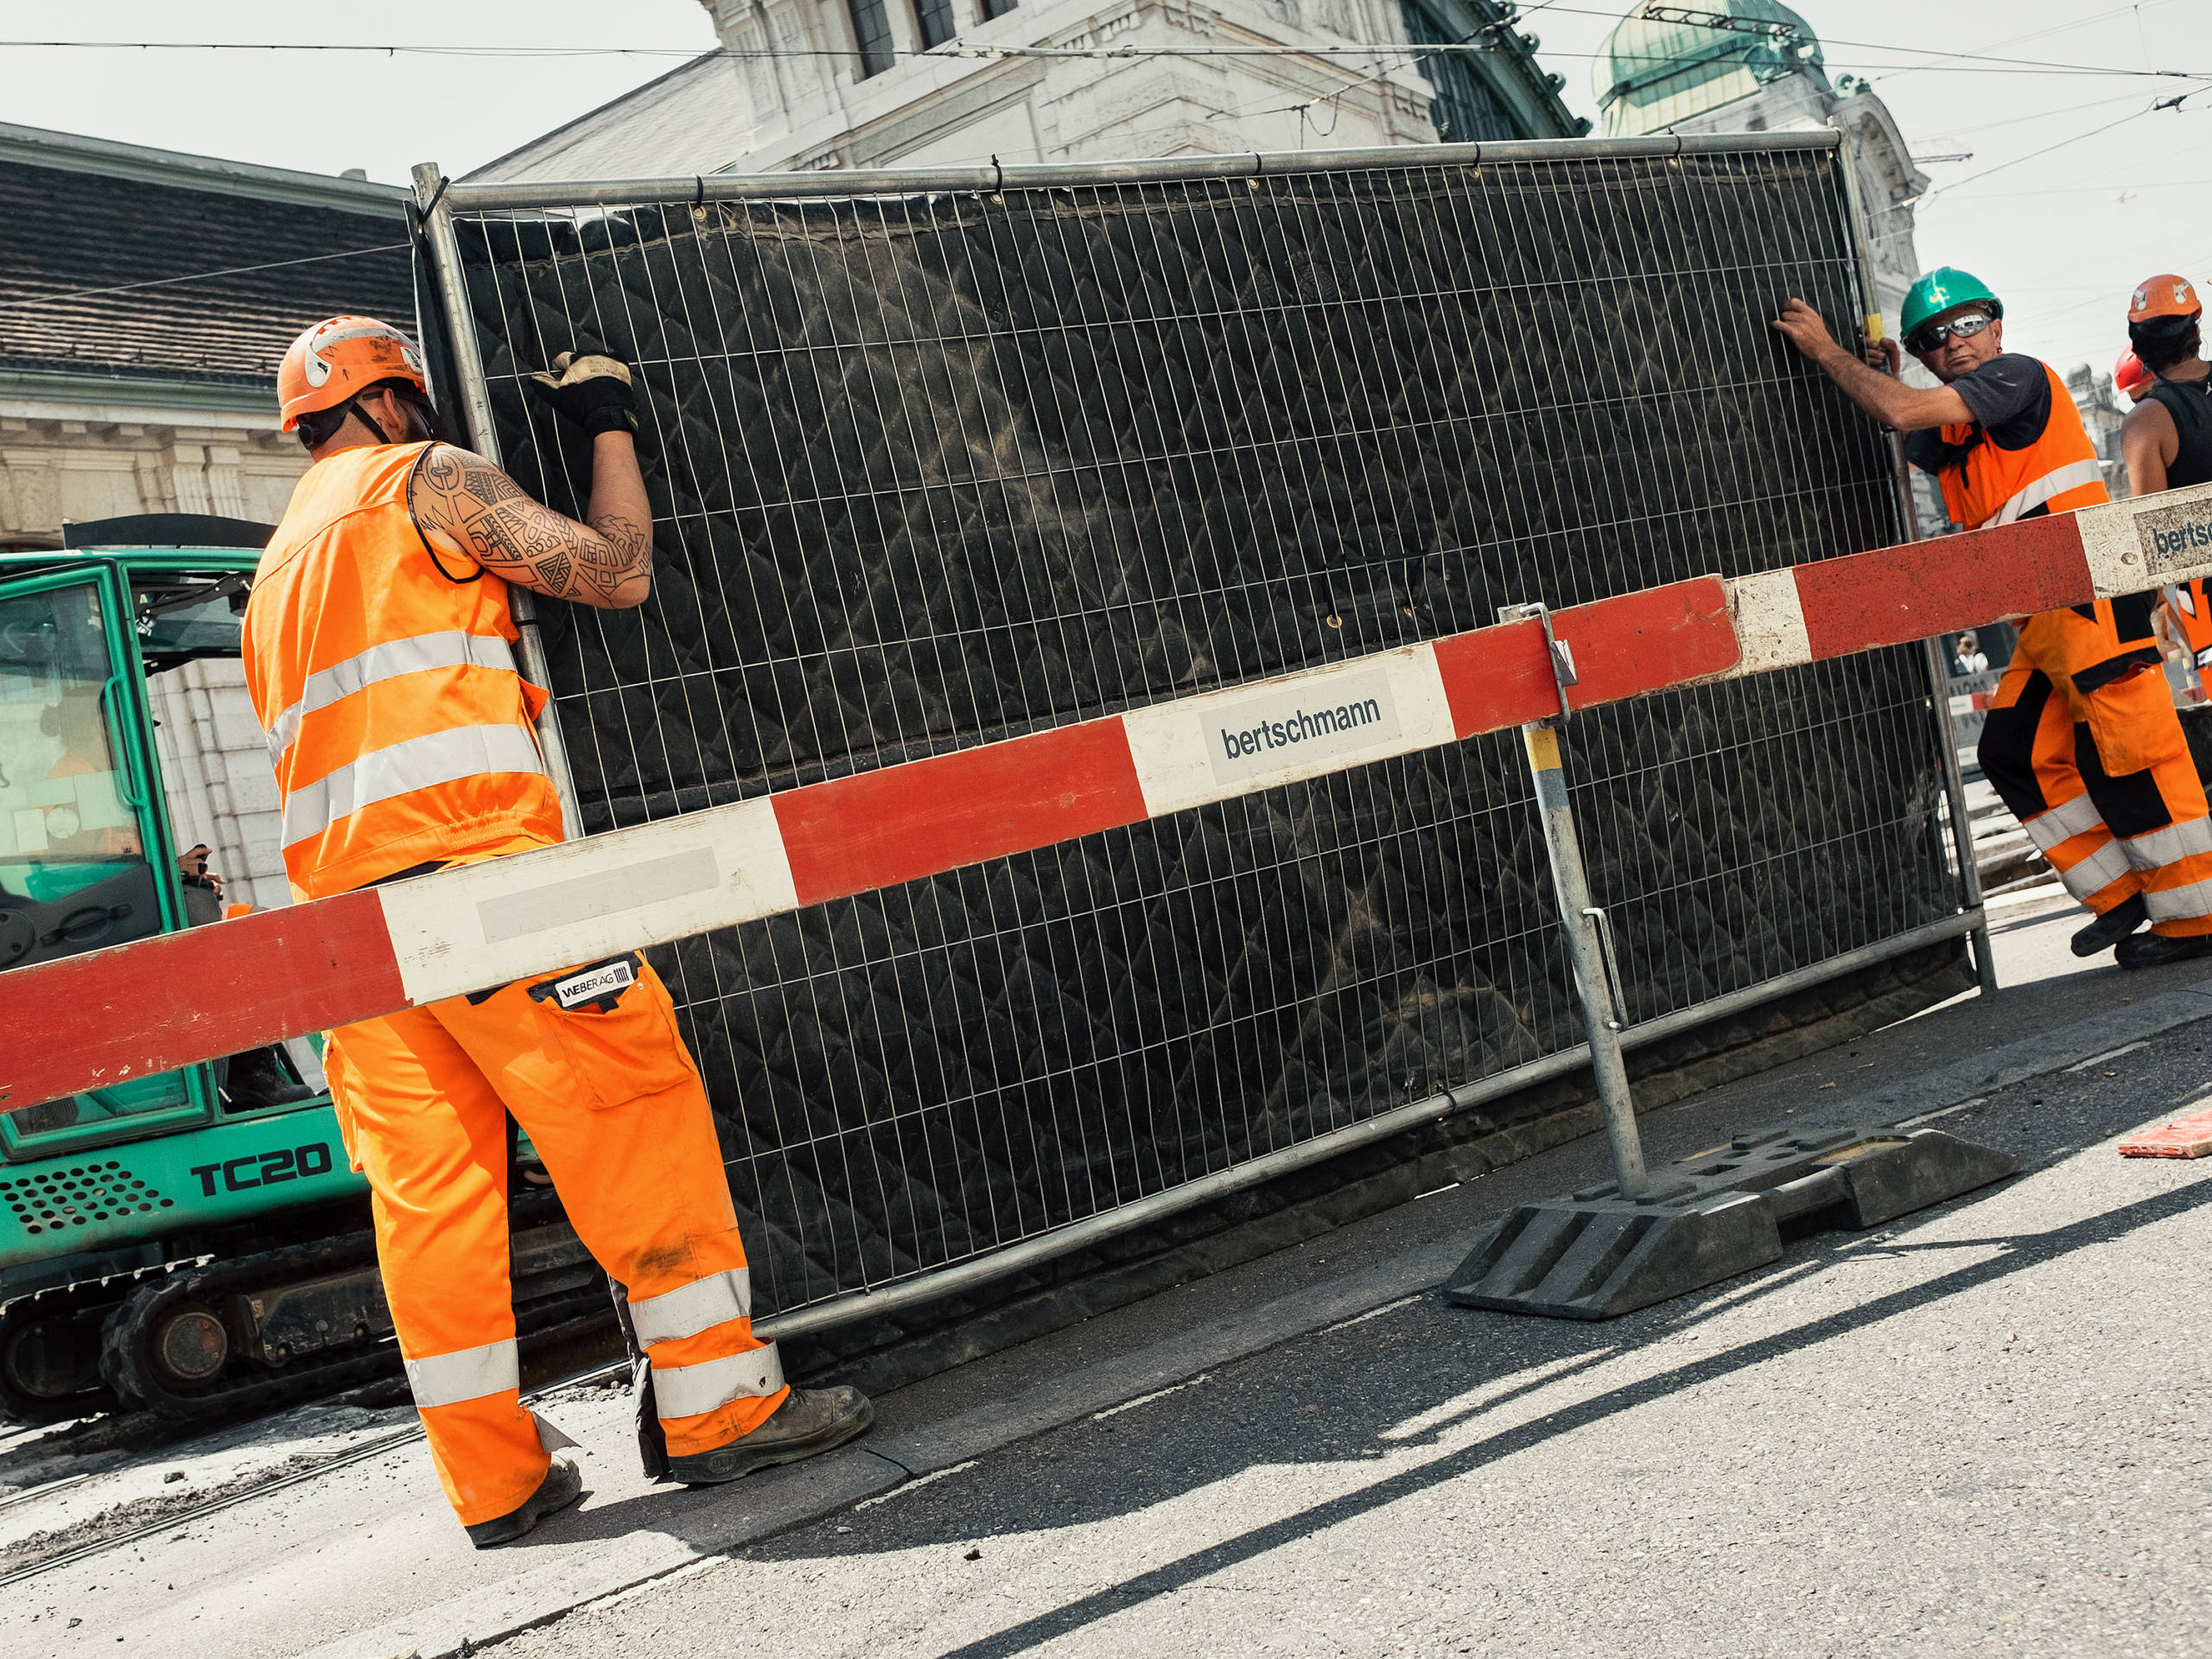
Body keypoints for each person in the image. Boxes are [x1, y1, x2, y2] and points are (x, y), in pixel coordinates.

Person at [242, 316, 871, 1548]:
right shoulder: (427, 480)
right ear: (387, 405)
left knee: (430, 1210)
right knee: (638, 1124)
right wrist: (608, 424)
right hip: (489, 892)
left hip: (347, 937)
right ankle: (722, 1411)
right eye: (413, 404)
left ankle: (497, 1484)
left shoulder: (276, 568)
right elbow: (616, 571)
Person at [1774, 268, 2212, 970]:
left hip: (2089, 597)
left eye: (1968, 325)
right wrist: (1885, 371)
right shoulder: (1963, 418)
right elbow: (1912, 421)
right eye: (1935, 339)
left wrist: (1829, 352)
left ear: (1998, 327)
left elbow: (1901, 415)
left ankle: (2196, 919)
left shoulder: (2018, 378)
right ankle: (2121, 895)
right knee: (2012, 753)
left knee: (2135, 755)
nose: (1956, 343)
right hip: (2047, 614)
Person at [2120, 275, 2212, 696]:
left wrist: (2160, 608)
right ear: (2196, 326)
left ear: (2137, 346)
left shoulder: (2147, 421)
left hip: (2204, 603)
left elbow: (2155, 538)